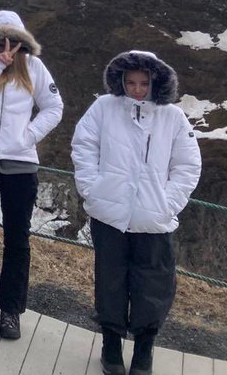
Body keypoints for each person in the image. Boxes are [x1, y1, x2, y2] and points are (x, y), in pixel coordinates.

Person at [71, 51, 201, 375]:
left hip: (153, 221)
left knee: (152, 286)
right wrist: (93, 189)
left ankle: (144, 351)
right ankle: (111, 347)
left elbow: (187, 165)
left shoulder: (172, 117)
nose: (138, 89)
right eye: (131, 82)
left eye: (144, 83)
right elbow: (84, 145)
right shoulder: (104, 108)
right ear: (121, 81)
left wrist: (166, 204)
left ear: (156, 82)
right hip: (109, 217)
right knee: (110, 282)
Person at [0, 10, 64, 340]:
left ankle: (11, 311)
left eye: (12, 42)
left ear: (22, 42)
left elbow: (54, 107)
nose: (6, 47)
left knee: (17, 240)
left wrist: (28, 136)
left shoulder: (35, 67)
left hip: (21, 166)